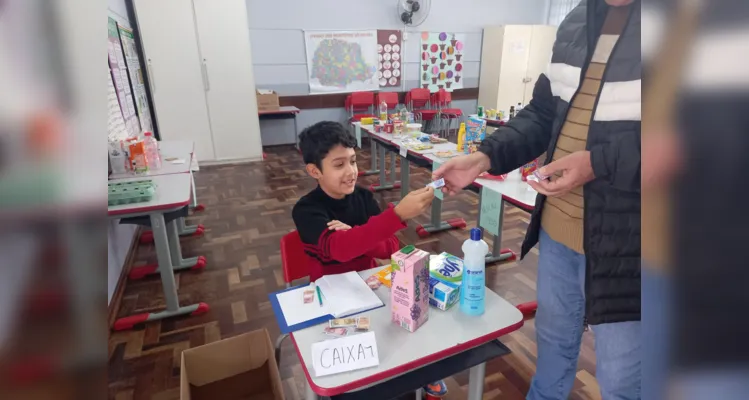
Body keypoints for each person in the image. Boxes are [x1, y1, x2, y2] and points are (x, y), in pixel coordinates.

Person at [433, 1, 641, 399]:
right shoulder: (577, 20)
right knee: (553, 349)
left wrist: (598, 163)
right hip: (559, 231)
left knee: (622, 380)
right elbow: (543, 113)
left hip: (631, 247)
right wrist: (485, 156)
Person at [292, 121, 434, 282]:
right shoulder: (306, 209)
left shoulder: (363, 197)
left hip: (368, 284)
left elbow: (390, 248)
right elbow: (341, 250)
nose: (351, 171)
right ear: (314, 171)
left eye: (353, 161)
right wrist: (397, 214)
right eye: (339, 165)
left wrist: (354, 233)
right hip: (329, 291)